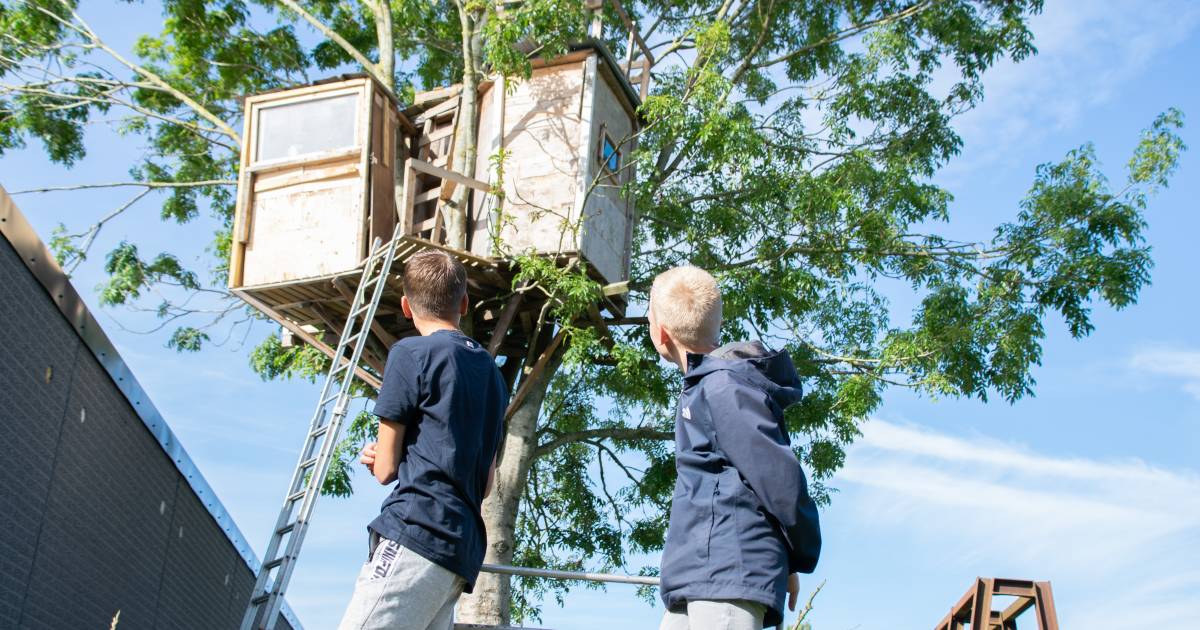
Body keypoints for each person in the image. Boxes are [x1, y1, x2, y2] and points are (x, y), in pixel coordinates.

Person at [338, 250, 507, 630]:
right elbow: (486, 483)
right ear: (464, 302)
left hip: (417, 530)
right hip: (460, 551)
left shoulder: (409, 354)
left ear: (405, 306)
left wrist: (380, 455)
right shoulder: (494, 378)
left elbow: (385, 470)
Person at [648, 266, 822, 630]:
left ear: (661, 332)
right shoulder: (702, 386)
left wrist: (797, 556)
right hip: (695, 576)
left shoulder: (723, 386)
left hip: (728, 575)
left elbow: (778, 477)